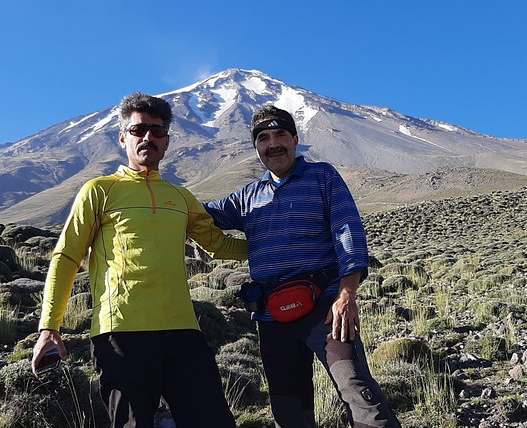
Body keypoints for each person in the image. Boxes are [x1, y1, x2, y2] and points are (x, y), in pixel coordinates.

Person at [32, 92, 245, 428]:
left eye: (158, 131)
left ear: (167, 141)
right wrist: (49, 328)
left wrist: (278, 243)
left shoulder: (180, 196)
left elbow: (218, 246)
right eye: (139, 130)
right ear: (122, 137)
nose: (149, 137)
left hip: (183, 333)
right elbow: (67, 257)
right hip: (120, 335)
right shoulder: (99, 190)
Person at [204, 105, 401, 427]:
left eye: (280, 134)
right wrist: (153, 192)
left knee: (359, 394)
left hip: (326, 308)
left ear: (295, 139)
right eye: (263, 138)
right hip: (270, 316)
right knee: (289, 410)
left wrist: (346, 294)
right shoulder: (246, 197)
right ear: (256, 147)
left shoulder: (323, 177)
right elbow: (199, 216)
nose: (273, 144)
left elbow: (347, 232)